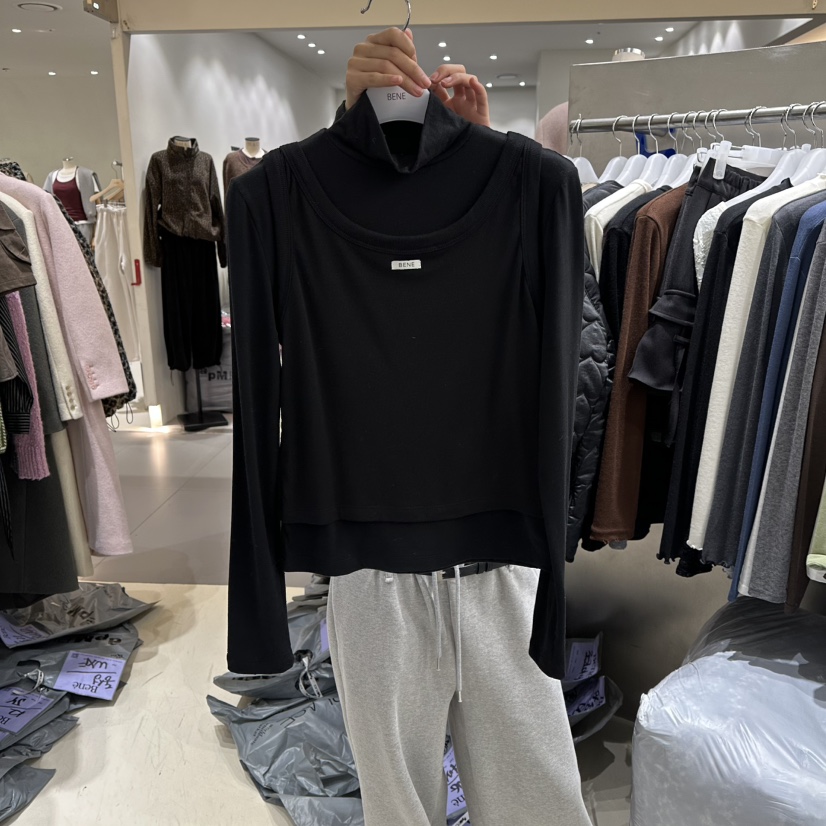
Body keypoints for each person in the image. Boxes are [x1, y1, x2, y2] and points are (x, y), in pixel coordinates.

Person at [324, 27, 592, 826]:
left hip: (500, 567)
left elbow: (565, 357)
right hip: (375, 569)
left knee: (541, 803)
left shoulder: (534, 203)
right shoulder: (319, 212)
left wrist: (481, 163)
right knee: (398, 807)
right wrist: (353, 137)